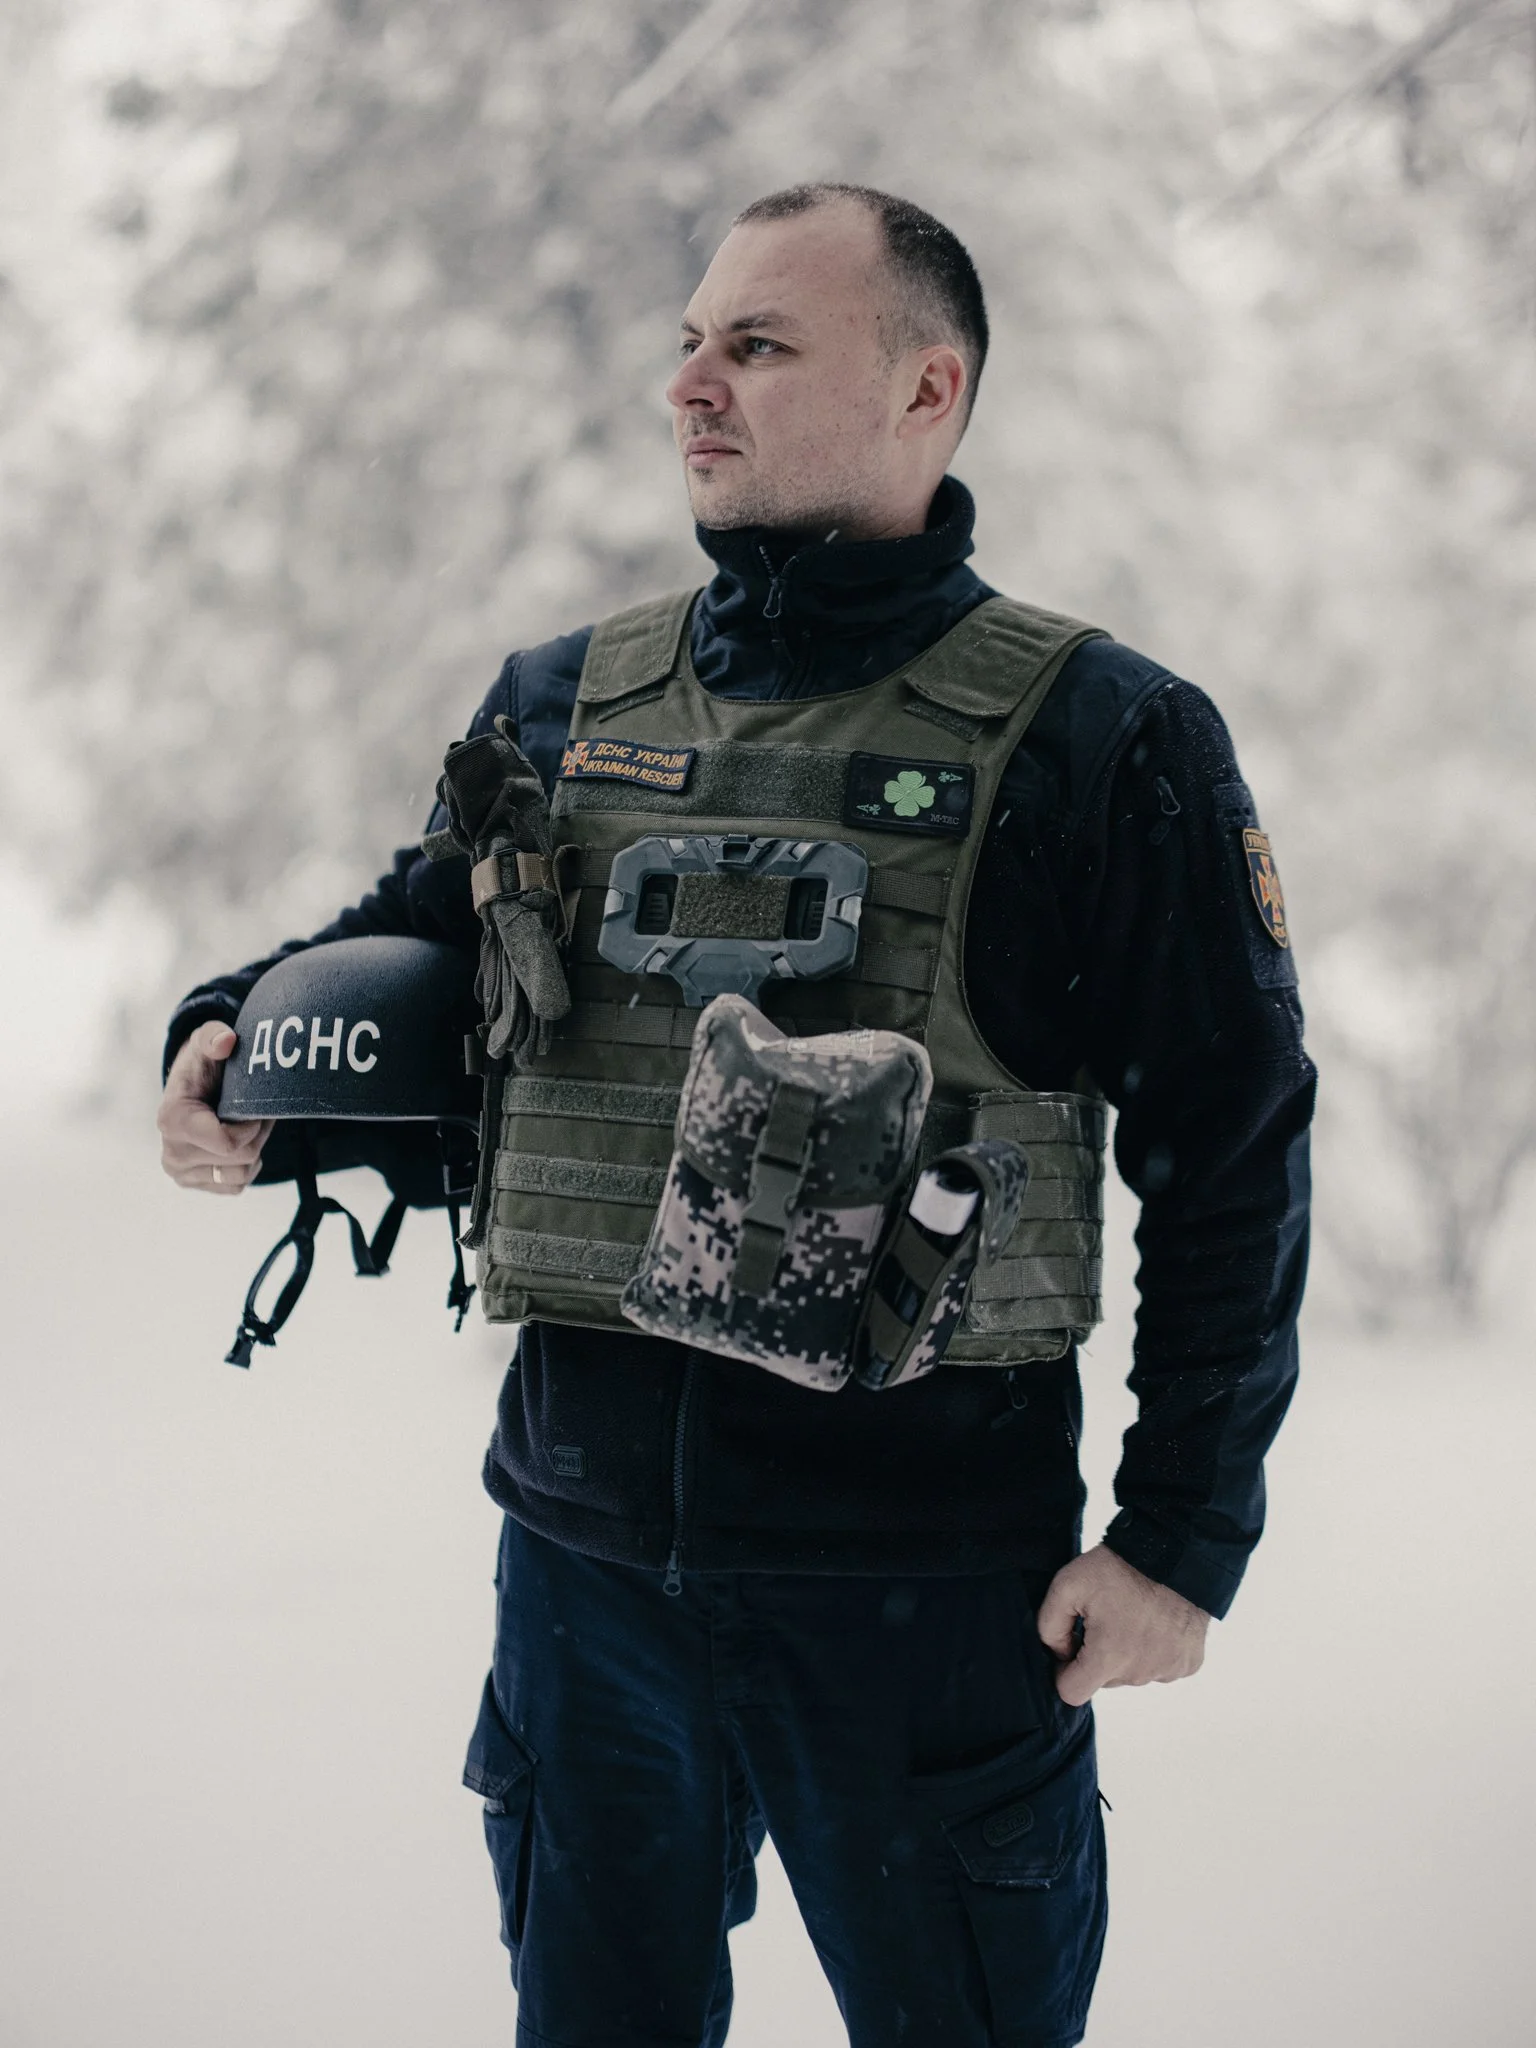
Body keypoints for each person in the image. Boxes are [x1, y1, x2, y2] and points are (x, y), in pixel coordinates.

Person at [158, 183, 1315, 2047]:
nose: (689, 382)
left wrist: (1183, 1535)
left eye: (757, 345)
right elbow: (415, 934)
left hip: (932, 1593)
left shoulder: (1109, 736)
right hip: (586, 1568)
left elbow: (1235, 1138)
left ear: (927, 389)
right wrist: (228, 1035)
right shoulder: (561, 703)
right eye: (690, 340)